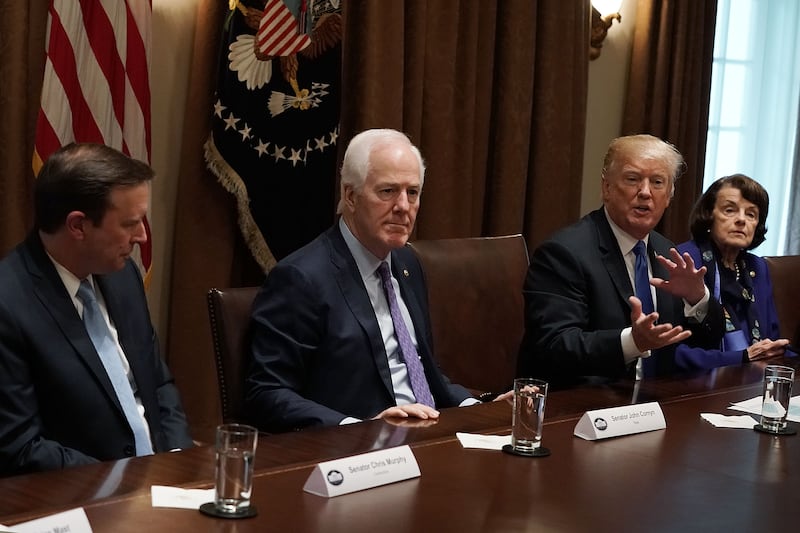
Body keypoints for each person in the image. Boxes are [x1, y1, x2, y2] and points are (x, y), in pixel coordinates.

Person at [244, 128, 485, 433]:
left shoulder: (407, 262)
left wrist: (478, 406)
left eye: (412, 192)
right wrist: (358, 428)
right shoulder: (301, 278)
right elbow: (265, 392)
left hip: (427, 436)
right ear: (350, 196)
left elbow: (419, 370)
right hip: (352, 454)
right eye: (387, 191)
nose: (403, 206)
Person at [0, 143, 193, 476]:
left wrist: (176, 459)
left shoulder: (123, 277)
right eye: (130, 223)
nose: (143, 237)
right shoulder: (9, 303)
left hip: (161, 484)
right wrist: (126, 482)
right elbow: (20, 446)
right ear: (78, 226)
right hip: (79, 499)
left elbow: (157, 384)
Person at [517, 134, 724, 385]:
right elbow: (553, 345)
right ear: (607, 188)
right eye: (632, 179)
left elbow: (707, 342)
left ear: (669, 196)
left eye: (657, 182)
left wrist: (697, 299)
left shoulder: (667, 252)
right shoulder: (564, 253)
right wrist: (632, 342)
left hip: (656, 404)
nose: (645, 192)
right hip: (581, 408)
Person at [675, 174, 792, 370]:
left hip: (752, 379)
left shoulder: (758, 267)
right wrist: (741, 358)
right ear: (708, 215)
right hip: (700, 383)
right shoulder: (685, 259)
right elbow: (671, 353)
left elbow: (773, 338)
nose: (741, 220)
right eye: (730, 210)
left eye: (751, 214)